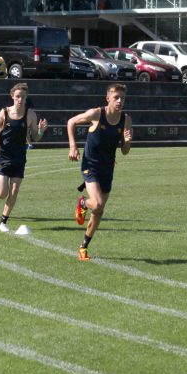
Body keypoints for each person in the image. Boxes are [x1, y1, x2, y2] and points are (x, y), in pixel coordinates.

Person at [67, 83, 133, 262]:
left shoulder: (125, 119)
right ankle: (83, 202)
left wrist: (126, 142)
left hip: (107, 168)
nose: (120, 101)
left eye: (123, 98)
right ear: (108, 98)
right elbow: (71, 122)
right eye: (116, 98)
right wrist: (73, 146)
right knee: (96, 204)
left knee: (99, 211)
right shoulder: (97, 114)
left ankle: (83, 247)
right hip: (91, 165)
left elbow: (125, 151)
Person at [0, 83, 48, 232]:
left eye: (23, 97)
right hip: (4, 156)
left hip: (19, 157)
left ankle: (3, 222)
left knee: (14, 190)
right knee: (1, 194)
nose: (20, 100)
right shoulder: (5, 112)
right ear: (12, 97)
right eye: (17, 97)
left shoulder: (30, 115)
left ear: (26, 98)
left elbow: (35, 137)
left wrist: (41, 131)